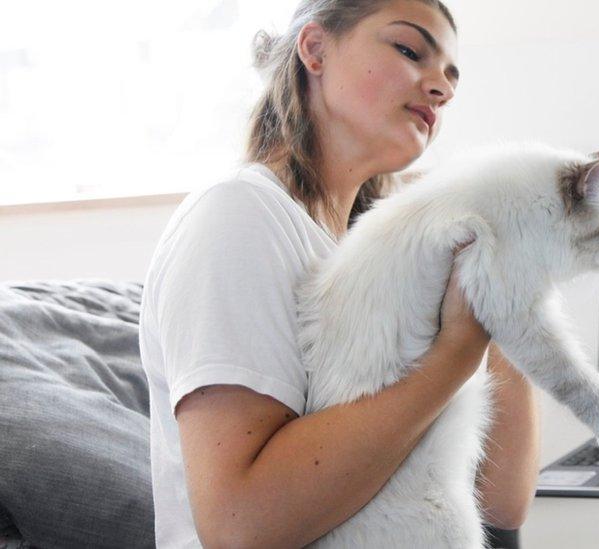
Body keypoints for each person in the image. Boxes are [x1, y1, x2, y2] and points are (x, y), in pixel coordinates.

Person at [138, 1, 539, 547]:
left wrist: (507, 292)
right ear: (315, 49)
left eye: (450, 78)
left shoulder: (375, 256)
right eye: (408, 50)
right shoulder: (238, 217)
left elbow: (503, 507)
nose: (441, 89)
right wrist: (453, 356)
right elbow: (239, 525)